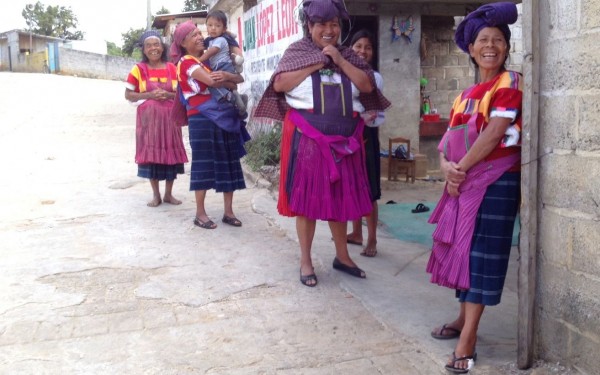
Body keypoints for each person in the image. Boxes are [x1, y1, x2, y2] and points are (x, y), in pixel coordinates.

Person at [253, 0, 391, 287]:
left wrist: (339, 61)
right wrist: (318, 61)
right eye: (322, 24)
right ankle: (305, 260)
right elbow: (279, 85)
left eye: (334, 24)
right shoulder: (297, 52)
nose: (329, 30)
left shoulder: (348, 56)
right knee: (306, 202)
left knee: (339, 202)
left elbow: (367, 86)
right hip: (309, 140)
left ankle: (342, 256)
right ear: (309, 26)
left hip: (345, 142)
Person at [425, 2, 522, 373]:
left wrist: (459, 169)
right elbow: (448, 139)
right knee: (463, 253)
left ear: (507, 47)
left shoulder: (509, 83)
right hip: (463, 181)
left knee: (481, 257)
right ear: (470, 48)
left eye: (498, 40)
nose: (491, 46)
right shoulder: (465, 94)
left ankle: (468, 339)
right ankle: (462, 319)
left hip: (495, 182)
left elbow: (496, 133)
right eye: (483, 39)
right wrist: (446, 167)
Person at [170, 21, 247, 229]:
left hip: (220, 114)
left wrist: (227, 77)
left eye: (198, 33)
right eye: (194, 35)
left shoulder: (206, 62)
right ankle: (200, 213)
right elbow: (213, 82)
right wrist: (226, 79)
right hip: (201, 118)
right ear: (183, 43)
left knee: (229, 161)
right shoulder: (186, 62)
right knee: (203, 163)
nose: (199, 37)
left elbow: (235, 81)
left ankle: (228, 212)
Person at [124, 30, 188, 207]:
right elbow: (128, 94)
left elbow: (180, 93)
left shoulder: (172, 68)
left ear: (163, 47)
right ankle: (156, 195)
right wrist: (150, 95)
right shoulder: (138, 69)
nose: (153, 48)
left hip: (170, 121)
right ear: (144, 50)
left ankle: (168, 194)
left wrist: (167, 94)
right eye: (149, 45)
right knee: (152, 155)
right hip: (148, 122)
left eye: (156, 44)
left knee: (170, 154)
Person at [346, 29, 386, 258]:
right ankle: (356, 233)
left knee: (369, 188)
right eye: (358, 46)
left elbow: (374, 114)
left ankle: (371, 238)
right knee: (352, 185)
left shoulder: (374, 77)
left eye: (367, 47)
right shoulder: (341, 73)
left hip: (366, 137)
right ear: (350, 48)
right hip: (347, 136)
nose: (363, 51)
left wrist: (360, 116)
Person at [197, 10, 247, 118]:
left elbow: (211, 52)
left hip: (223, 66)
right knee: (227, 86)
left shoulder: (221, 39)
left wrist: (198, 61)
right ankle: (238, 99)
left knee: (212, 83)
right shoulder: (209, 40)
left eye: (217, 25)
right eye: (210, 25)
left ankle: (232, 99)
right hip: (219, 67)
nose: (213, 28)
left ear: (224, 29)